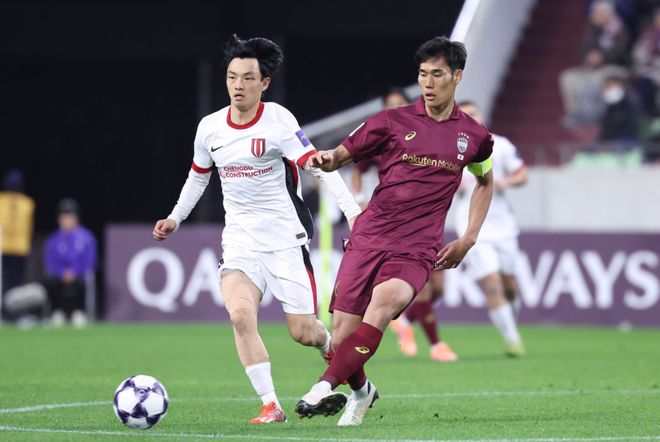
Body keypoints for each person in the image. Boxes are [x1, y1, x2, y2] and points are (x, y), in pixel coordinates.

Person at [152, 34, 361, 424]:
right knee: (240, 316)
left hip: (284, 239)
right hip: (240, 240)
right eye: (232, 77)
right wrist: (175, 218)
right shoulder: (210, 128)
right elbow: (198, 177)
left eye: (248, 78)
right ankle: (271, 405)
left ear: (264, 83)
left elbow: (319, 165)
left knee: (304, 332)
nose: (238, 85)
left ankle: (334, 354)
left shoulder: (278, 120)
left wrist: (353, 212)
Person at [295, 36, 494, 426]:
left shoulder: (474, 137)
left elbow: (485, 182)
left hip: (417, 248)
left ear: (457, 77)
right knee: (342, 338)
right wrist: (326, 159)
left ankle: (322, 387)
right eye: (423, 74)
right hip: (370, 237)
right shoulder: (391, 121)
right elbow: (339, 156)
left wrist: (468, 237)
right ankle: (362, 392)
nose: (428, 83)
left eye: (437, 74)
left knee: (384, 305)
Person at [351, 89, 457, 362]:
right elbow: (357, 169)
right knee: (424, 286)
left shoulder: (426, 133)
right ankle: (436, 345)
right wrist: (359, 200)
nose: (397, 108)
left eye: (401, 103)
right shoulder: (383, 136)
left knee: (439, 288)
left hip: (428, 220)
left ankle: (404, 321)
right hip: (397, 223)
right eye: (392, 105)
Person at [455, 101, 528, 357]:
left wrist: (504, 182)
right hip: (472, 226)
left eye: (473, 113)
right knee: (492, 284)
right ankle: (513, 340)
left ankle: (511, 328)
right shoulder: (450, 148)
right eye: (465, 115)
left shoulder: (501, 145)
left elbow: (522, 175)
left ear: (482, 115)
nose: (471, 118)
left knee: (510, 286)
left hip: (503, 226)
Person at [559, 0, 630, 125]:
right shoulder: (591, 31)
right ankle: (575, 113)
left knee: (594, 81)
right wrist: (588, 56)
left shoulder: (619, 29)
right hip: (590, 68)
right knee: (567, 77)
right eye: (596, 13)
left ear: (609, 14)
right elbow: (581, 50)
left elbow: (620, 51)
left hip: (612, 67)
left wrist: (602, 57)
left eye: (601, 13)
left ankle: (596, 115)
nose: (597, 16)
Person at [44, 198, 97, 328]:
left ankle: (80, 312)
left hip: (79, 275)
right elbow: (50, 262)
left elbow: (90, 261)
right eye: (64, 217)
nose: (66, 220)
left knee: (84, 281)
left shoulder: (86, 238)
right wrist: (62, 273)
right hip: (59, 276)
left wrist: (75, 272)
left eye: (69, 217)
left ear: (76, 218)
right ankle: (57, 312)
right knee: (51, 281)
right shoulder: (53, 240)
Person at [0, 170, 35, 301]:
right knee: (14, 283)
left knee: (11, 284)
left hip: (6, 247)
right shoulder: (28, 203)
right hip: (17, 248)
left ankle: (10, 309)